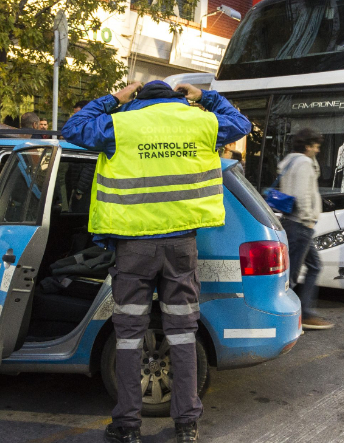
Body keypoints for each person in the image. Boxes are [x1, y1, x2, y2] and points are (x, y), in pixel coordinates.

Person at [62, 80, 250, 443]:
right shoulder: (199, 122)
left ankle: (128, 427)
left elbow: (73, 128)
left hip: (134, 249)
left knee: (130, 336)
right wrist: (204, 96)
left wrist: (113, 98)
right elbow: (239, 123)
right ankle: (186, 425)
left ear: (138, 100)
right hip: (181, 246)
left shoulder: (121, 125)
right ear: (174, 98)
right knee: (181, 333)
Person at [278, 128, 333, 330]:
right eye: (316, 146)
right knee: (291, 276)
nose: (318, 150)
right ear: (308, 146)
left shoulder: (291, 161)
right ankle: (287, 319)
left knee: (314, 266)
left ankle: (305, 311)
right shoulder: (303, 163)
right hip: (301, 224)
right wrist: (309, 219)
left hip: (293, 223)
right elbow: (302, 195)